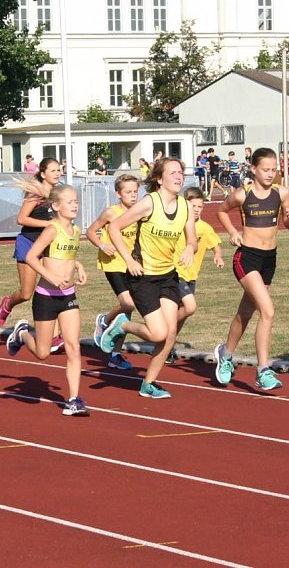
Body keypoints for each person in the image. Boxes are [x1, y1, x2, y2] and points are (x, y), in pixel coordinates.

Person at [99, 157, 197, 399]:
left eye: (180, 173)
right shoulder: (148, 203)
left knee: (170, 333)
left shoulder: (185, 206)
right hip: (143, 277)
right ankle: (121, 325)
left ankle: (149, 384)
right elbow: (114, 228)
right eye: (172, 173)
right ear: (159, 179)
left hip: (167, 276)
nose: (178, 177)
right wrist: (129, 260)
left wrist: (189, 248)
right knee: (157, 334)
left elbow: (192, 239)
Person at [213, 147, 289, 390]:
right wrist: (232, 232)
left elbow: (288, 225)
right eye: (265, 170)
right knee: (268, 311)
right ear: (254, 169)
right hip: (246, 258)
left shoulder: (281, 193)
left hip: (269, 259)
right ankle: (263, 370)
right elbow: (221, 210)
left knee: (246, 312)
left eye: (274, 170)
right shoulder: (242, 195)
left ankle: (225, 354)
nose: (270, 174)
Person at [6, 184, 89, 416]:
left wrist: (79, 267)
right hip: (46, 297)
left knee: (73, 347)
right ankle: (22, 333)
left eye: (76, 201)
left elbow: (66, 256)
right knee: (43, 353)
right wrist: (50, 276)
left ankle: (73, 399)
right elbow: (32, 256)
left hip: (68, 296)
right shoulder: (51, 229)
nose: (75, 205)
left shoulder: (76, 229)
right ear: (56, 206)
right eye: (70, 202)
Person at [0, 157, 66, 352]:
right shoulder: (35, 192)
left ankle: (55, 336)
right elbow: (22, 218)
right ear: (43, 174)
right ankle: (7, 304)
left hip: (48, 247)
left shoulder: (60, 193)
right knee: (26, 293)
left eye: (59, 170)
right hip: (28, 243)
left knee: (54, 287)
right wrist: (49, 224)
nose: (57, 173)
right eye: (53, 170)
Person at [85, 175, 140, 370]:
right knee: (128, 304)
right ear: (118, 194)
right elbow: (90, 231)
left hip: (132, 264)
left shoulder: (139, 212)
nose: (133, 196)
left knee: (128, 311)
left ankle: (116, 354)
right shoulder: (111, 212)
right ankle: (105, 320)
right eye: (128, 192)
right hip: (113, 263)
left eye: (135, 191)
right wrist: (102, 244)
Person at [167, 187, 224, 363]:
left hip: (192, 276)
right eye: (194, 206)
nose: (197, 209)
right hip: (176, 272)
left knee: (181, 314)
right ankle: (162, 331)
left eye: (200, 206)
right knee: (190, 307)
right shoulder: (177, 223)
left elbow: (215, 243)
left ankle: (167, 343)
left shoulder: (205, 228)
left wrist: (218, 255)